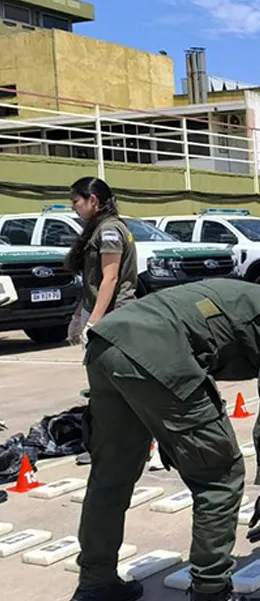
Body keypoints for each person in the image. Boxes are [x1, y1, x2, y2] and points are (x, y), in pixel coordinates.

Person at [66, 279, 260, 601]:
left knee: (111, 475)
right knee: (220, 474)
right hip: (157, 352)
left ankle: (95, 585)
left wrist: (172, 434)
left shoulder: (247, 296)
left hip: (108, 343)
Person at [64, 177, 139, 466]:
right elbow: (94, 282)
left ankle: (113, 448)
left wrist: (94, 322)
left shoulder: (109, 230)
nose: (74, 207)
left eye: (76, 200)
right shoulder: (102, 228)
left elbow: (110, 278)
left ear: (93, 200)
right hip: (106, 315)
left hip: (114, 319)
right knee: (109, 388)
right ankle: (114, 445)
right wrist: (79, 315)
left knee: (109, 389)